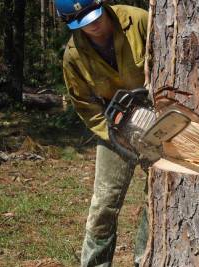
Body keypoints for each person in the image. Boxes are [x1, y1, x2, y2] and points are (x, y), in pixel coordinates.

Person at [55, 0, 149, 266]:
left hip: (158, 122)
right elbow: (86, 106)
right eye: (81, 23)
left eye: (94, 16)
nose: (92, 26)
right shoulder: (74, 55)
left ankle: (148, 259)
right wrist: (114, 136)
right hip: (115, 127)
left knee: (157, 197)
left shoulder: (139, 21)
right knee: (103, 205)